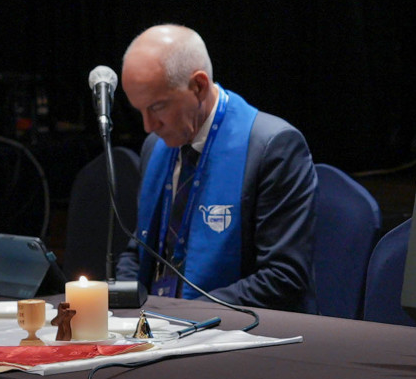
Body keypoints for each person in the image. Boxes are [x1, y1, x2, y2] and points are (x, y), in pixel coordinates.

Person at [114, 24, 316, 311]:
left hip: (242, 328)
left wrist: (183, 314)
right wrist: (122, 306)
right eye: (139, 110)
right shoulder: (155, 147)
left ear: (198, 86)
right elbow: (140, 251)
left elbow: (283, 278)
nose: (148, 126)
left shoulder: (273, 148)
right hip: (160, 322)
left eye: (157, 107)